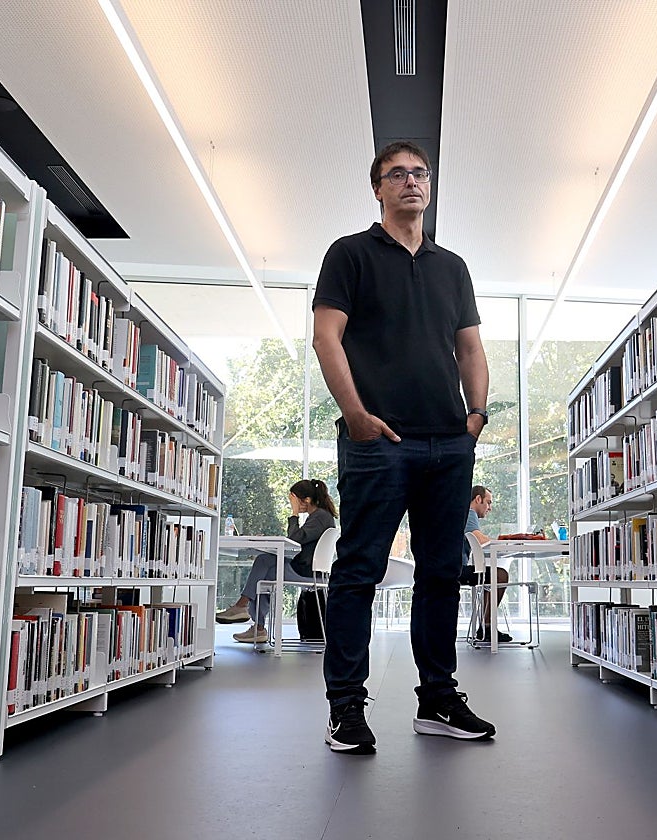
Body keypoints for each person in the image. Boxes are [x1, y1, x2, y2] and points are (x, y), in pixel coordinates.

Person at [312, 139, 494, 755]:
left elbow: (469, 348)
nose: (411, 182)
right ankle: (346, 710)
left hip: (450, 442)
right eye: (397, 174)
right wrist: (356, 416)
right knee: (358, 572)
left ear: (430, 184)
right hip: (379, 444)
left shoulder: (452, 267)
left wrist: (475, 416)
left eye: (420, 173)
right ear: (378, 188)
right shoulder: (350, 255)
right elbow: (325, 338)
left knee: (442, 575)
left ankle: (437, 700)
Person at [215, 479, 338, 645]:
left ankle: (246, 612)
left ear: (306, 500)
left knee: (263, 566)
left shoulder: (320, 517)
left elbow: (295, 539)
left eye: (294, 501)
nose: (292, 505)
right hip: (306, 569)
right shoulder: (319, 517)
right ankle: (254, 623)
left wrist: (294, 514)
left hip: (307, 572)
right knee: (264, 566)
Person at [460, 485, 512, 644]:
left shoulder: (465, 514)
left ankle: (486, 626)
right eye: (488, 502)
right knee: (500, 575)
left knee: (491, 575)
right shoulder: (469, 514)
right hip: (457, 570)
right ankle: (487, 627)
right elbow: (480, 540)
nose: (489, 508)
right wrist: (504, 542)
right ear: (478, 499)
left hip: (452, 567)